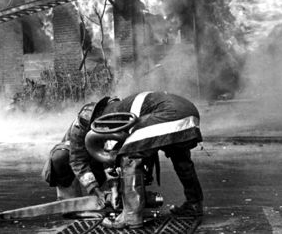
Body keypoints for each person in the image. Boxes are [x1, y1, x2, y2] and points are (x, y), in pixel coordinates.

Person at [42, 91, 204, 229]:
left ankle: (131, 216)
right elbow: (83, 160)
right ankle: (194, 204)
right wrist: (99, 189)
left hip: (169, 113)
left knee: (130, 155)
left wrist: (111, 189)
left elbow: (116, 156)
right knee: (181, 159)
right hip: (188, 112)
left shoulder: (110, 120)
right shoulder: (118, 111)